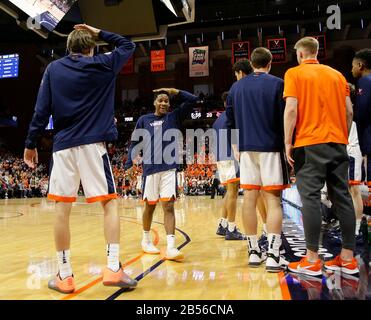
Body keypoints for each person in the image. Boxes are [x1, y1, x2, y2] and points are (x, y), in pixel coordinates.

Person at [24, 24, 137, 293]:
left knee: (62, 210)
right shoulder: (102, 64)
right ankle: (112, 268)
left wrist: (31, 142)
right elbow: (127, 45)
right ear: (91, 47)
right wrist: (98, 32)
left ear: (68, 48)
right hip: (92, 146)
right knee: (108, 204)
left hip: (62, 147)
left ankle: (65, 276)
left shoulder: (53, 69)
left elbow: (41, 110)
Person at [284, 37, 358, 277]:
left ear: (301, 54)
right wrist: (342, 137)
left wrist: (288, 142)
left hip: (309, 144)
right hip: (337, 143)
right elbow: (349, 110)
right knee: (343, 198)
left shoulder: (294, 74)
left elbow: (292, 109)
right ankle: (348, 258)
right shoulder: (338, 76)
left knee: (312, 200)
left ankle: (312, 259)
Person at [226, 49, 289, 272]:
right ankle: (273, 255)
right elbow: (285, 117)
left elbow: (230, 120)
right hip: (271, 147)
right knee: (273, 201)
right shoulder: (278, 83)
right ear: (270, 63)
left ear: (251, 63)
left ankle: (254, 252)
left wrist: (236, 147)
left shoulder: (236, 87)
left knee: (249, 200)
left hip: (245, 149)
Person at [125, 88, 198, 260]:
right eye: (160, 100)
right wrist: (129, 163)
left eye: (166, 101)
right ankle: (145, 240)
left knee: (169, 206)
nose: (164, 103)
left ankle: (171, 247)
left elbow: (193, 100)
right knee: (149, 206)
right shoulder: (144, 120)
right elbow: (134, 143)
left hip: (169, 169)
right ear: (154, 103)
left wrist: (175, 91)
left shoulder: (173, 117)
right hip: (150, 170)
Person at [213, 90, 247, 241]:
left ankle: (223, 223)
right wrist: (236, 152)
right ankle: (231, 229)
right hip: (230, 156)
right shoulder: (232, 116)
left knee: (229, 191)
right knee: (233, 192)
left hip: (221, 158)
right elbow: (233, 134)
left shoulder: (217, 120)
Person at [352, 49, 371, 208]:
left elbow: (362, 112)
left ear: (360, 65)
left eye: (353, 66)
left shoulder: (365, 82)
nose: (352, 70)